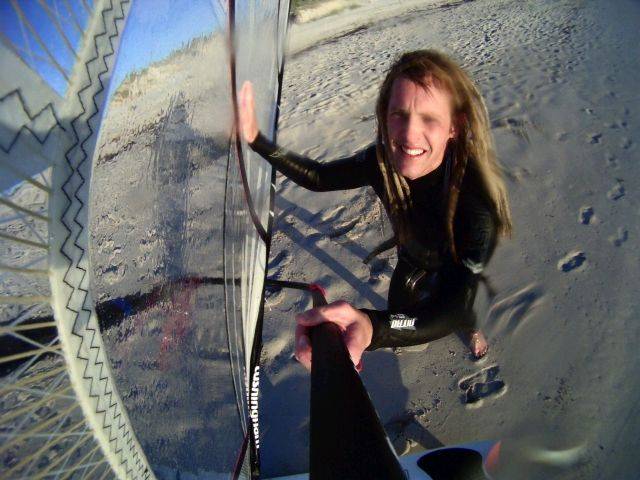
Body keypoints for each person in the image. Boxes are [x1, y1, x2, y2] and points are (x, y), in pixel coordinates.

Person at [238, 49, 512, 371]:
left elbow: (452, 307)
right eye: (399, 114)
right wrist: (256, 139)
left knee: (459, 308)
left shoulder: (476, 203)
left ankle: (471, 330)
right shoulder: (380, 163)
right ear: (384, 115)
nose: (409, 134)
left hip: (454, 262)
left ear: (455, 125)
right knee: (400, 311)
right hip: (411, 257)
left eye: (429, 118)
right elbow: (318, 177)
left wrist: (374, 326)